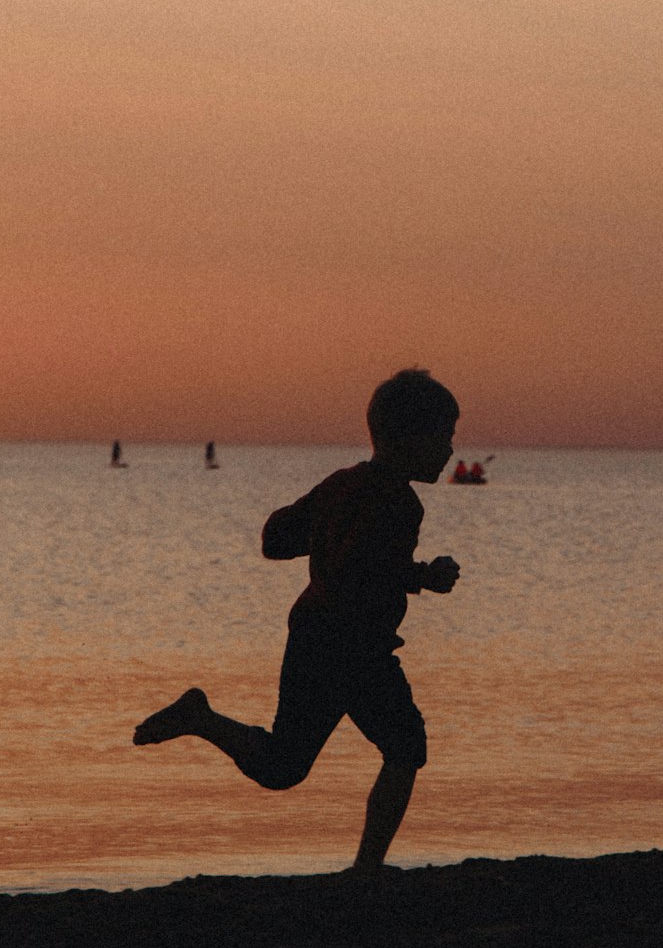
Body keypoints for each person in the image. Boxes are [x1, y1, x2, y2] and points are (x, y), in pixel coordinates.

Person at [133, 369, 461, 873]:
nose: (450, 450)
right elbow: (361, 566)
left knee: (284, 765)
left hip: (313, 637)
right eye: (444, 437)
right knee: (405, 747)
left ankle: (201, 719)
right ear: (407, 440)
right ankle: (367, 868)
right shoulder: (398, 502)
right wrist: (424, 576)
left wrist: (328, 529)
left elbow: (276, 539)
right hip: (356, 649)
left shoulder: (342, 486)